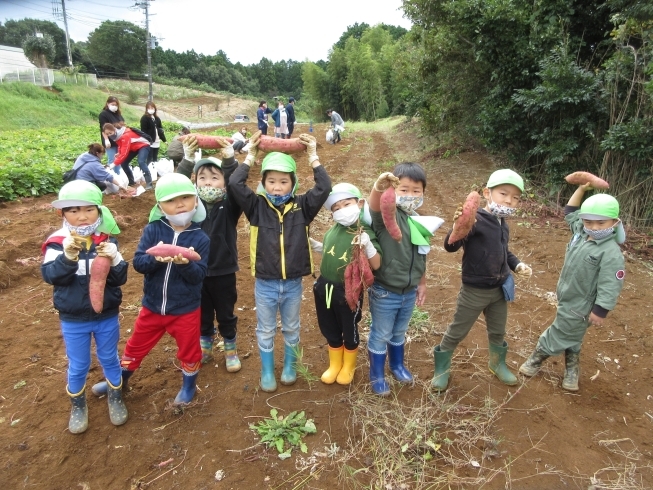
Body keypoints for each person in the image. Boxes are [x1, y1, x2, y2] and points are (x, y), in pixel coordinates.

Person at [91, 173, 210, 406]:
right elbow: (139, 264)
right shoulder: (153, 230)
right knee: (135, 346)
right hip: (153, 306)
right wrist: (158, 258)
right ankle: (120, 381)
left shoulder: (201, 237)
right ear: (159, 205)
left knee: (189, 350)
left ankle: (188, 387)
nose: (179, 205)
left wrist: (184, 264)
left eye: (186, 198)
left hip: (185, 309)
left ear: (196, 200)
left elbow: (199, 276)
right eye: (171, 200)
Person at [229, 131, 331, 393]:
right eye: (271, 181)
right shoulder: (256, 207)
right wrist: (250, 155)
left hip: (293, 283)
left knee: (291, 327)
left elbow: (324, 188)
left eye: (283, 182)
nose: (276, 187)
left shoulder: (303, 207)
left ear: (293, 183)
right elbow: (235, 184)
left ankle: (289, 366)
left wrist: (313, 157)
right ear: (263, 183)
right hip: (265, 284)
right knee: (265, 330)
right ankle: (266, 371)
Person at [431, 169, 533, 392]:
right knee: (458, 330)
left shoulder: (502, 223)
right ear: (487, 193)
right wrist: (460, 224)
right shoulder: (475, 219)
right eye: (504, 194)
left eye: (515, 197)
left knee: (498, 331)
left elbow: (504, 251)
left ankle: (497, 363)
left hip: (499, 290)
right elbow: (450, 246)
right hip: (475, 290)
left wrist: (517, 265)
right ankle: (441, 369)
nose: (509, 200)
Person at [41, 180, 128, 434]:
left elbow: (120, 278)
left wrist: (114, 258)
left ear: (99, 211)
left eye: (89, 209)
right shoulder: (57, 242)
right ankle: (78, 406)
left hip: (106, 315)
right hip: (73, 318)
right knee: (78, 364)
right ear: (63, 214)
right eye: (74, 210)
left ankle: (116, 397)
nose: (82, 216)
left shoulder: (107, 240)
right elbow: (50, 276)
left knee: (109, 357)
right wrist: (67, 258)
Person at [519, 187, 626, 392]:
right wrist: (582, 188)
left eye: (601, 222)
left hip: (582, 303)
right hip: (567, 295)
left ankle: (535, 360)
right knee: (572, 332)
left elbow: (610, 284)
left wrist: (601, 310)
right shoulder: (581, 231)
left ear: (615, 222)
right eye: (588, 221)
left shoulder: (610, 252)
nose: (593, 227)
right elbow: (570, 211)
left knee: (560, 330)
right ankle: (572, 371)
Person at [367, 163, 442, 395]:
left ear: (423, 193)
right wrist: (379, 188)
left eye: (416, 190)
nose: (410, 195)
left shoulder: (419, 221)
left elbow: (421, 256)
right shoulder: (388, 216)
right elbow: (375, 208)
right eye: (404, 189)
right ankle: (376, 376)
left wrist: (422, 282)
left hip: (408, 292)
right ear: (393, 190)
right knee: (381, 333)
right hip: (385, 291)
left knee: (399, 331)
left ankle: (397, 365)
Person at [310, 183, 382, 385]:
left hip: (348, 290)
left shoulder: (364, 231)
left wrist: (367, 244)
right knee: (328, 326)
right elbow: (331, 251)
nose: (341, 211)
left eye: (346, 204)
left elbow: (376, 264)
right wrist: (316, 246)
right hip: (324, 287)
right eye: (336, 208)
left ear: (359, 203)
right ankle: (335, 364)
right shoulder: (333, 230)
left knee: (349, 328)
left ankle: (348, 366)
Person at [192, 140, 244, 372]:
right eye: (202, 178)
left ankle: (230, 348)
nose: (208, 182)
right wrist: (186, 159)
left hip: (223, 270)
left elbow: (236, 185)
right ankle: (205, 345)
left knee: (225, 311)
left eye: (214, 178)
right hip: (196, 270)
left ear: (223, 183)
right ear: (195, 183)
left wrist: (230, 161)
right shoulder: (191, 206)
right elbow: (173, 191)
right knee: (201, 312)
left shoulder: (229, 205)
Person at [102, 123, 153, 190]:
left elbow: (124, 153)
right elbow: (121, 145)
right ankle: (131, 182)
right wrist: (119, 153)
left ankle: (149, 183)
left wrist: (114, 163)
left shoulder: (125, 135)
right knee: (124, 163)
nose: (109, 135)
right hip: (133, 147)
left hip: (143, 145)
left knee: (141, 161)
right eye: (107, 134)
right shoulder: (117, 136)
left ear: (114, 129)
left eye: (110, 133)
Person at [98, 96, 125, 172]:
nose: (114, 106)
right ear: (107, 104)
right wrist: (106, 140)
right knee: (112, 159)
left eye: (116, 105)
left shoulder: (118, 114)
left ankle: (119, 176)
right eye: (112, 104)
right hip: (110, 141)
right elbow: (103, 128)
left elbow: (123, 126)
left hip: (119, 140)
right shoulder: (103, 114)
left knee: (119, 160)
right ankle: (112, 177)